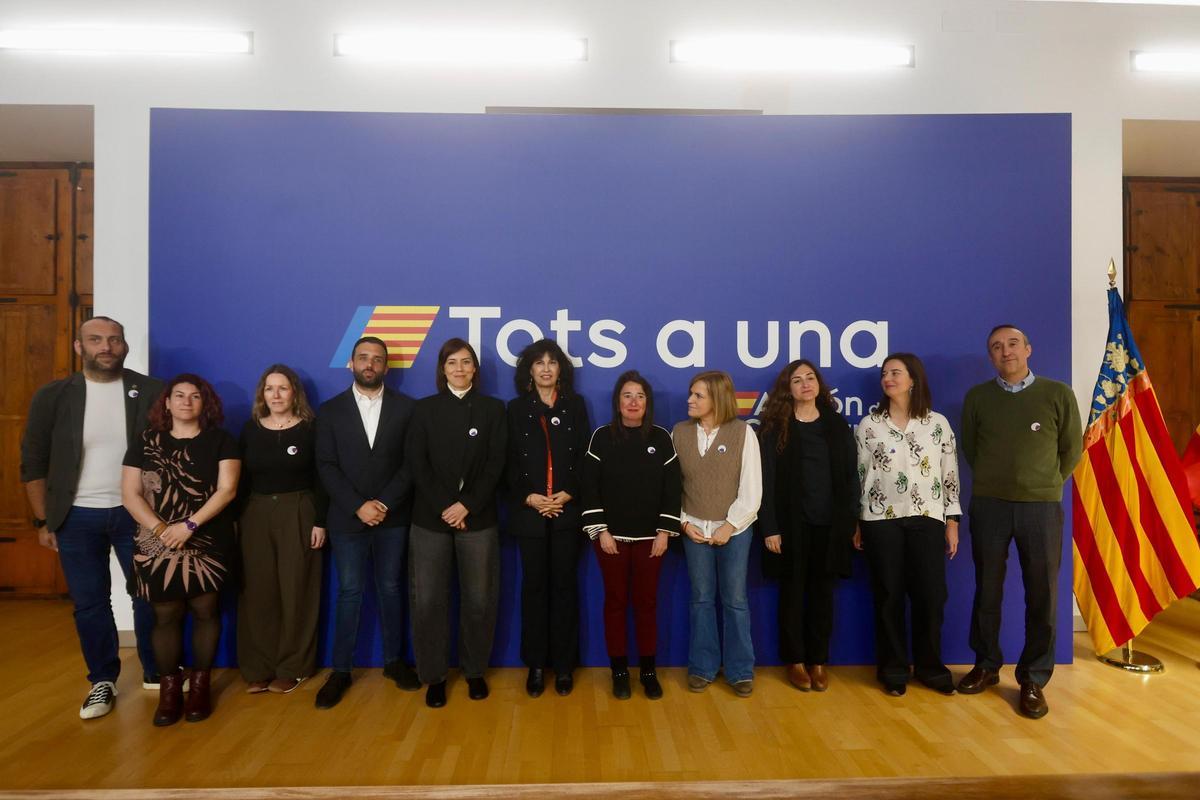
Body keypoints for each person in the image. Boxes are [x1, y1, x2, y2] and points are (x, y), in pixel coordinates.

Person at [19, 316, 162, 720]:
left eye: (114, 340)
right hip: (76, 516)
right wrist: (43, 520)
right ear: (80, 348)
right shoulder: (53, 396)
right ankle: (103, 680)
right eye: (96, 340)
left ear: (125, 346)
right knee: (90, 603)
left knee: (147, 598)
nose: (106, 347)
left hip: (137, 514)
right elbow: (33, 461)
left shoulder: (151, 392)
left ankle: (155, 670)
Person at [958, 325, 1082, 719]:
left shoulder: (1058, 393)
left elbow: (1072, 449)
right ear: (990, 356)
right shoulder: (978, 397)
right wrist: (998, 481)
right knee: (987, 589)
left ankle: (1033, 679)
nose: (1005, 351)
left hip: (1041, 507)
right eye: (996, 347)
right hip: (990, 504)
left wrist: (1043, 483)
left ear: (1028, 348)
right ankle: (987, 665)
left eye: (1012, 344)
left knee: (1042, 593)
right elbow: (972, 449)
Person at [120, 374, 240, 726]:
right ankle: (171, 690)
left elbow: (227, 489)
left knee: (206, 610)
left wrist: (188, 526)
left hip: (207, 537)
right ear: (167, 402)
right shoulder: (144, 442)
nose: (187, 401)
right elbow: (130, 493)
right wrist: (161, 530)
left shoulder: (222, 440)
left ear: (206, 404)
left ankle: (200, 686)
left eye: (195, 396)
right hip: (156, 542)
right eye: (179, 395)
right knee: (165, 615)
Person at [313, 337, 419, 709]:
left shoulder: (408, 409)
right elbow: (326, 465)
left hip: (393, 517)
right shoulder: (329, 411)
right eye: (363, 358)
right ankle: (341, 670)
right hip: (347, 518)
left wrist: (384, 503)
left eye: (377, 360)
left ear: (387, 368)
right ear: (351, 364)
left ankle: (394, 662)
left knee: (391, 589)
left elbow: (411, 464)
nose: (370, 364)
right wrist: (358, 506)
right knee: (350, 591)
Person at [853, 353, 961, 697]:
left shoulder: (938, 424)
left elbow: (949, 474)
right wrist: (857, 520)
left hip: (927, 517)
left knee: (931, 596)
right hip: (879, 519)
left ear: (913, 379)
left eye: (895, 372)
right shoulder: (869, 425)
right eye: (884, 373)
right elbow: (860, 475)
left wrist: (952, 520)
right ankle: (894, 669)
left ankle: (929, 667)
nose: (888, 378)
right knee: (888, 596)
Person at [407, 338, 506, 708]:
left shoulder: (493, 410)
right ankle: (433, 676)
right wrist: (447, 506)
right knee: (428, 601)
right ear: (442, 369)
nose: (460, 369)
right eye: (453, 363)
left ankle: (475, 671)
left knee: (480, 599)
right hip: (430, 519)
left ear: (475, 369)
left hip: (478, 518)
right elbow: (417, 463)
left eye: (466, 362)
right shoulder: (424, 410)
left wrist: (466, 505)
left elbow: (497, 463)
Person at [758, 360, 858, 693]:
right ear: (788, 388)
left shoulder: (836, 425)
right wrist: (769, 526)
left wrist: (851, 522)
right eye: (797, 380)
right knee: (791, 595)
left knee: (822, 596)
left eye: (810, 378)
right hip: (790, 527)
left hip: (829, 525)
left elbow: (849, 479)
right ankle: (796, 661)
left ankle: (818, 660)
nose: (805, 384)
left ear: (819, 384)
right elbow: (766, 482)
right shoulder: (775, 428)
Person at [581, 371, 681, 700]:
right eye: (627, 395)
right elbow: (589, 487)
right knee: (615, 603)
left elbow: (672, 489)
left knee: (647, 604)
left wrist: (665, 532)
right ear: (618, 402)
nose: (633, 401)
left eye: (639, 395)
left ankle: (648, 671)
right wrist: (602, 532)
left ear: (647, 402)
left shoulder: (662, 438)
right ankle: (619, 671)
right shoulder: (602, 437)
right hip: (610, 540)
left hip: (652, 541)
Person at [237, 364, 329, 695]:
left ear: (295, 393)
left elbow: (322, 478)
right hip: (257, 512)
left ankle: (293, 667)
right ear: (262, 394)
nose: (276, 395)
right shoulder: (249, 431)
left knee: (297, 589)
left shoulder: (311, 429)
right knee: (258, 592)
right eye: (269, 389)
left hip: (299, 510)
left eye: (283, 388)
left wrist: (320, 520)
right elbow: (240, 481)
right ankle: (259, 667)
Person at [506, 339, 590, 698]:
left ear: (561, 370)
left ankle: (564, 665)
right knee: (534, 589)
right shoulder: (514, 408)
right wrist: (530, 497)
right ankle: (536, 665)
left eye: (552, 363)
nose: (545, 368)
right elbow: (506, 462)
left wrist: (568, 492)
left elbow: (586, 456)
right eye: (538, 363)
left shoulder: (575, 406)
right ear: (528, 370)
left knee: (565, 589)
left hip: (567, 513)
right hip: (530, 515)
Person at [672, 370, 762, 697]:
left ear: (717, 399)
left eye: (698, 395)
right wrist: (683, 523)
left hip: (734, 531)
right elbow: (672, 487)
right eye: (690, 394)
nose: (690, 400)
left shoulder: (742, 433)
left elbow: (752, 489)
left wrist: (730, 526)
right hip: (693, 528)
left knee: (735, 600)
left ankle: (740, 670)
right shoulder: (679, 433)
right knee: (700, 600)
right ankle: (702, 667)